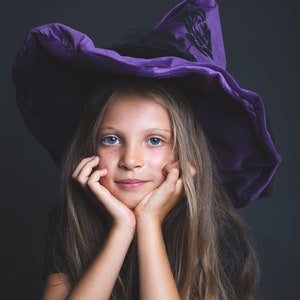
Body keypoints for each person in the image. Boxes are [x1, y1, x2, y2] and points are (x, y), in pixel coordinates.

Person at [12, 1, 281, 299]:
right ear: (90, 147)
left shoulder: (218, 233)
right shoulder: (68, 221)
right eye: (111, 140)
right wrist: (122, 229)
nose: (131, 161)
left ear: (184, 154)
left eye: (154, 141)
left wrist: (149, 223)